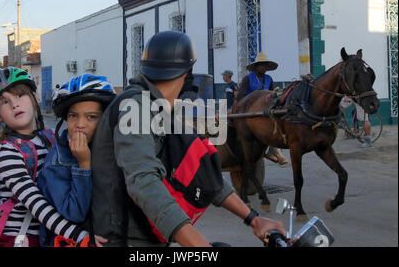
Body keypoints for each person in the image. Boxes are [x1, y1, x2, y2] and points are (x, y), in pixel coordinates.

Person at [88, 31, 286, 247]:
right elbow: (143, 180)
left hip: (149, 237)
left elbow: (202, 170)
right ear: (188, 74)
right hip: (123, 241)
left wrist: (254, 219)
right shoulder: (135, 107)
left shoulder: (161, 108)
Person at [0, 67, 101, 247]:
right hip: (20, 239)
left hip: (49, 233)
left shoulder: (50, 138)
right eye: (5, 102)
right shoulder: (7, 152)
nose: (14, 104)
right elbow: (37, 205)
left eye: (20, 96)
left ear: (34, 98)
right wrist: (80, 236)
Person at [37, 74, 116, 246]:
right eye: (73, 116)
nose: (80, 124)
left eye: (91, 117)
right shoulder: (57, 161)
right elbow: (74, 213)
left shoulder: (108, 149)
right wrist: (84, 165)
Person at [236, 52, 288, 165]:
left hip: (265, 110)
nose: (263, 67)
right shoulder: (248, 79)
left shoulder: (269, 79)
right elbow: (240, 97)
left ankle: (273, 149)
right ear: (256, 67)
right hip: (248, 110)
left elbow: (273, 95)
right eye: (261, 65)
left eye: (265, 65)